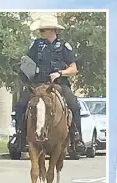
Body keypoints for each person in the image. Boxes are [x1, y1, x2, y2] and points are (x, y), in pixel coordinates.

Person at [14, 14, 85, 154]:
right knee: (21, 105)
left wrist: (59, 73)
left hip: (58, 84)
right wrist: (25, 70)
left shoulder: (64, 46)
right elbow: (27, 63)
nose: (40, 33)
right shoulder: (36, 45)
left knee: (74, 106)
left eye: (42, 30)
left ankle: (76, 138)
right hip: (38, 85)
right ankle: (19, 137)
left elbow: (73, 69)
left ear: (51, 30)